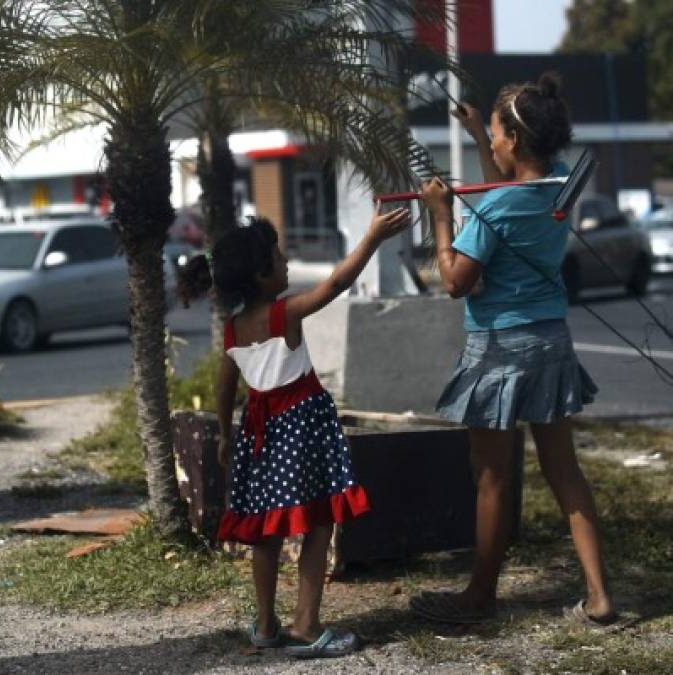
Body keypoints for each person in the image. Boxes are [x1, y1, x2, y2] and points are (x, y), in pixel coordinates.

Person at [411, 73, 616, 626]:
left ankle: (480, 594)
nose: (495, 144)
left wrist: (439, 214)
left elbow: (456, 280)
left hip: (499, 347)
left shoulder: (495, 210)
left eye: (499, 135)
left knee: (494, 475)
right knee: (564, 471)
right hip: (550, 341)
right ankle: (599, 594)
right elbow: (502, 189)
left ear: (517, 141)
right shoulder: (553, 188)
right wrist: (479, 133)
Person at [179, 208, 411, 658]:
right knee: (319, 522)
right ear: (262, 275)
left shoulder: (232, 329)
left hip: (257, 436)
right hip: (301, 430)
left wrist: (226, 435)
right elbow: (337, 284)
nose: (286, 263)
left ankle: (266, 625)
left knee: (265, 533)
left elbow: (224, 388)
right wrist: (373, 237)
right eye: (278, 257)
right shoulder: (284, 313)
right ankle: (306, 626)